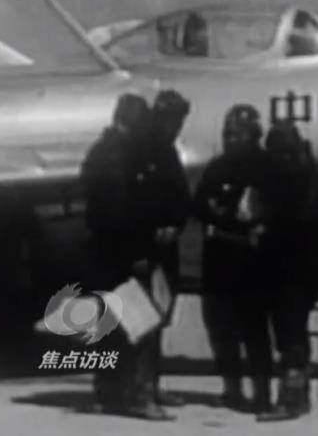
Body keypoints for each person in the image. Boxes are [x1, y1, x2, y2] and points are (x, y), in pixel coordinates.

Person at [80, 93, 174, 421]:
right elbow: (122, 212)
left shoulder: (101, 153)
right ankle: (138, 396)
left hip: (104, 255)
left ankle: (108, 393)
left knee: (109, 327)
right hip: (123, 256)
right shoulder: (120, 157)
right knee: (140, 326)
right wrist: (138, 251)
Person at [193, 104, 276, 414]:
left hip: (253, 262)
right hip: (218, 260)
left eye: (238, 133)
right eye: (228, 133)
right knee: (220, 328)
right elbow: (199, 205)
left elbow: (272, 210)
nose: (231, 139)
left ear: (254, 134)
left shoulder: (267, 168)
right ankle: (232, 390)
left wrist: (235, 216)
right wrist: (222, 214)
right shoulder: (217, 167)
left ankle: (262, 394)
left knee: (254, 330)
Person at [256, 120, 318, 422]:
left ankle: (291, 399)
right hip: (299, 266)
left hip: (293, 266)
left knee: (290, 334)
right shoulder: (312, 175)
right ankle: (298, 396)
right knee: (292, 332)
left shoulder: (304, 180)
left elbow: (303, 221)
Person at [143, 90, 193, 408]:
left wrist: (175, 224)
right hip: (144, 249)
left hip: (165, 249)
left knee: (158, 319)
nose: (176, 127)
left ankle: (150, 384)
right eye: (172, 120)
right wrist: (153, 228)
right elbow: (134, 199)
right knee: (141, 321)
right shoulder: (141, 152)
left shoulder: (167, 151)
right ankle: (138, 389)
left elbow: (181, 197)